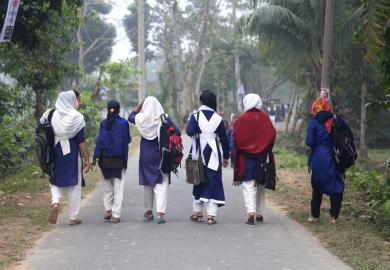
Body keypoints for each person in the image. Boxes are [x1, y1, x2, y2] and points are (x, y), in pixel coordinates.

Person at [37, 90, 90, 225]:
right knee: (74, 184)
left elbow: (39, 129)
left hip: (55, 151)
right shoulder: (77, 117)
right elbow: (81, 141)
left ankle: (55, 202)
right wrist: (87, 159)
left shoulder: (50, 113)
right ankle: (73, 217)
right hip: (71, 153)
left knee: (55, 179)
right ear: (72, 100)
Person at [128, 96, 180, 224]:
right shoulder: (164, 118)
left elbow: (130, 117)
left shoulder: (140, 119)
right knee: (161, 182)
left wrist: (139, 106)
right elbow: (177, 132)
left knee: (148, 183)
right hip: (161, 154)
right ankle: (160, 212)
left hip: (146, 155)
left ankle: (149, 210)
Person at [186, 90, 229, 225]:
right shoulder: (218, 119)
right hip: (214, 154)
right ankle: (211, 216)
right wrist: (226, 157)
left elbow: (189, 132)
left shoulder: (195, 115)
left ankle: (198, 213)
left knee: (197, 180)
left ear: (201, 101)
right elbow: (224, 140)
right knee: (213, 183)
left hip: (197, 152)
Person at [233, 93, 276, 225]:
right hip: (263, 158)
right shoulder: (265, 118)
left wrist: (245, 149)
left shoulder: (241, 120)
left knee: (248, 185)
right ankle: (259, 213)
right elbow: (272, 135)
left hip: (246, 159)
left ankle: (250, 212)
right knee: (261, 185)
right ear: (258, 103)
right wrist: (263, 148)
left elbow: (236, 139)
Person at [306, 98, 344, 224]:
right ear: (326, 107)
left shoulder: (313, 122)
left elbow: (309, 142)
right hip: (334, 156)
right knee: (336, 185)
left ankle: (315, 217)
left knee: (317, 186)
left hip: (318, 157)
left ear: (315, 108)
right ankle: (334, 217)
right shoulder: (334, 119)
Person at [93, 100, 131, 224]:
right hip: (118, 160)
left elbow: (99, 142)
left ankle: (108, 210)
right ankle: (116, 215)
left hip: (104, 161)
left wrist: (95, 158)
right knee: (118, 189)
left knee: (107, 188)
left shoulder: (103, 123)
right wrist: (125, 161)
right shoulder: (124, 124)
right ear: (119, 110)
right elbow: (126, 143)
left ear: (107, 109)